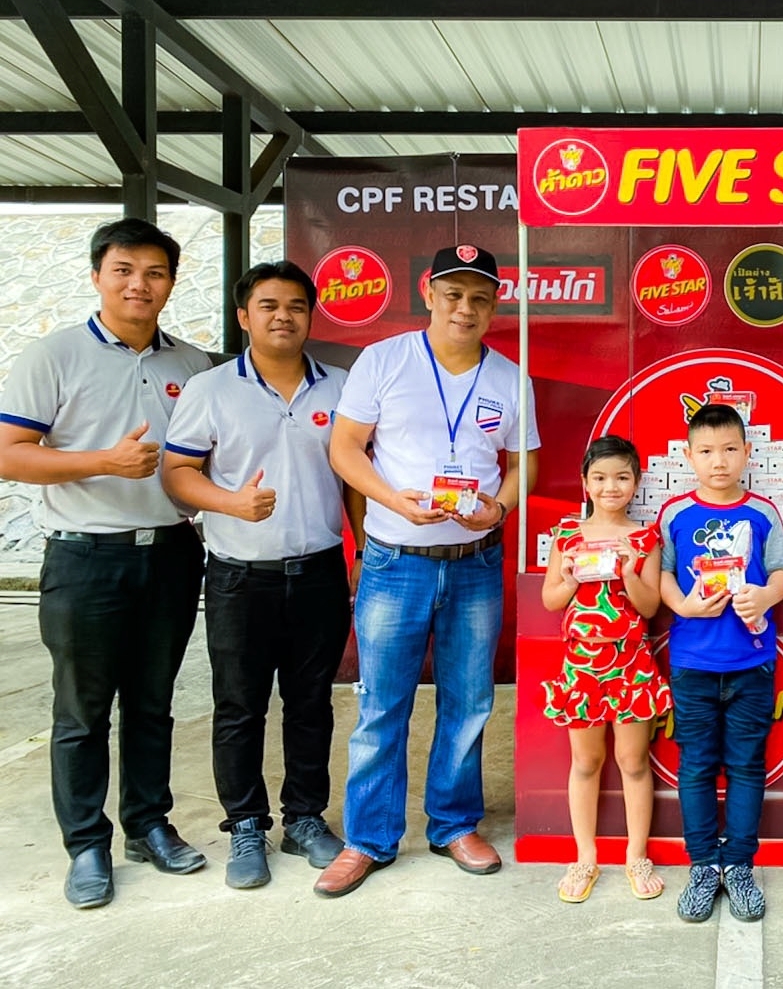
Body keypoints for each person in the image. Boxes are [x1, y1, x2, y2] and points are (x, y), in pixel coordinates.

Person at [314, 244, 540, 898]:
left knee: (468, 703)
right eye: (452, 293)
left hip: (473, 564)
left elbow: (521, 465)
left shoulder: (507, 377)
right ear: (428, 294)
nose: (463, 307)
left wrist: (497, 507)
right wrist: (392, 501)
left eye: (478, 296)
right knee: (381, 706)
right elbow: (344, 447)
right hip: (394, 561)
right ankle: (368, 839)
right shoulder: (384, 360)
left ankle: (453, 824)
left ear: (494, 305)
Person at [0, 218, 213, 908]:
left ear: (171, 284)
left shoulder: (191, 365)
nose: (138, 284)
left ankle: (147, 825)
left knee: (153, 704)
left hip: (173, 554)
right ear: (97, 276)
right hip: (87, 560)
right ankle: (85, 844)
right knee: (83, 711)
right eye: (123, 270)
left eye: (154, 273)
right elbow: (8, 453)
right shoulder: (52, 355)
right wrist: (104, 461)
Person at [161, 261, 363, 889]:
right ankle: (245, 823)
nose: (284, 316)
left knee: (311, 705)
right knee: (240, 707)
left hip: (320, 572)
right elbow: (177, 474)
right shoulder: (211, 389)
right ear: (244, 316)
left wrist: (366, 557)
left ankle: (304, 817)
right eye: (269, 305)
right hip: (238, 578)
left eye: (297, 306)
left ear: (311, 315)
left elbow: (356, 481)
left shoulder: (343, 389)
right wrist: (229, 503)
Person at [658, 402, 783, 924]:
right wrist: (683, 605)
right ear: (689, 456)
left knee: (744, 767)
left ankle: (737, 864)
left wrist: (765, 596)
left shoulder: (762, 512)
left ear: (747, 453)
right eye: (707, 451)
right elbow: (665, 575)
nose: (719, 461)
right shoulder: (675, 513)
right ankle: (701, 866)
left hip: (751, 663)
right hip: (692, 662)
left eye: (730, 449)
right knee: (694, 767)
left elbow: (782, 572)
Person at [541, 435, 672, 903]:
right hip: (581, 666)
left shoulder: (646, 536)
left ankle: (637, 855)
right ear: (585, 483)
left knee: (634, 762)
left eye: (621, 478)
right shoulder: (567, 535)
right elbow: (551, 599)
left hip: (631, 664)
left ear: (636, 483)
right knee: (586, 761)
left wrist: (632, 571)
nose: (610, 487)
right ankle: (585, 858)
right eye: (600, 478)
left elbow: (651, 605)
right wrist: (571, 578)